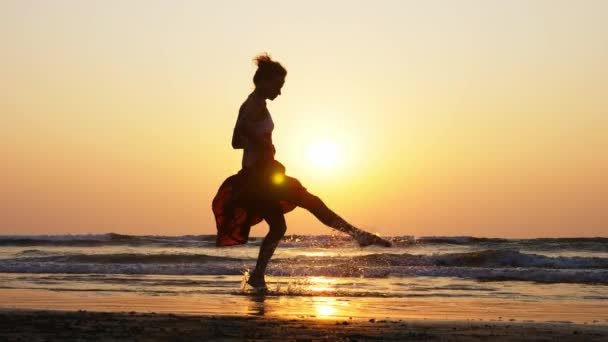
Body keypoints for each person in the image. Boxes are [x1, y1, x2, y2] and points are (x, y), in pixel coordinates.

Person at [212, 53, 391, 290]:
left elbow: (236, 141)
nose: (280, 91)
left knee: (279, 227)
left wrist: (257, 140)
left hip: (259, 176)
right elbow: (239, 139)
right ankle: (358, 235)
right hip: (260, 176)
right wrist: (260, 141)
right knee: (311, 202)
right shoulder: (253, 106)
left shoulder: (252, 104)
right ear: (265, 82)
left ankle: (257, 275)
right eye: (278, 85)